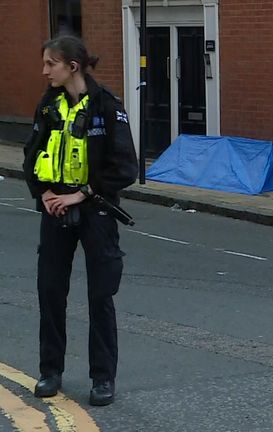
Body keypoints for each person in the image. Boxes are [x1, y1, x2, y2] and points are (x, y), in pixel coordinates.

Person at [22, 35, 138, 406]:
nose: (44, 72)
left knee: (100, 295)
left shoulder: (106, 105)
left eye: (50, 64)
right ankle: (50, 371)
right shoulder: (48, 104)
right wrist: (44, 194)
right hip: (55, 207)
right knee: (50, 291)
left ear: (72, 66)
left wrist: (81, 194)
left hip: (96, 211)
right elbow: (32, 153)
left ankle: (102, 378)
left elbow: (124, 166)